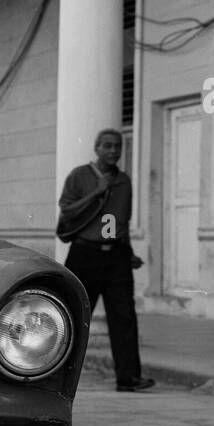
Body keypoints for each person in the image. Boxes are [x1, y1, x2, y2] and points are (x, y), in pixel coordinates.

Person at [57, 129, 155, 392]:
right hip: (84, 253)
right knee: (73, 316)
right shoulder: (79, 176)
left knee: (124, 318)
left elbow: (122, 222)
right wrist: (95, 193)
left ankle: (129, 378)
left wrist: (129, 251)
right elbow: (66, 209)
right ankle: (57, 379)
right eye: (108, 146)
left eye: (118, 147)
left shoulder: (124, 181)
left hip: (116, 256)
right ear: (97, 148)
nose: (113, 151)